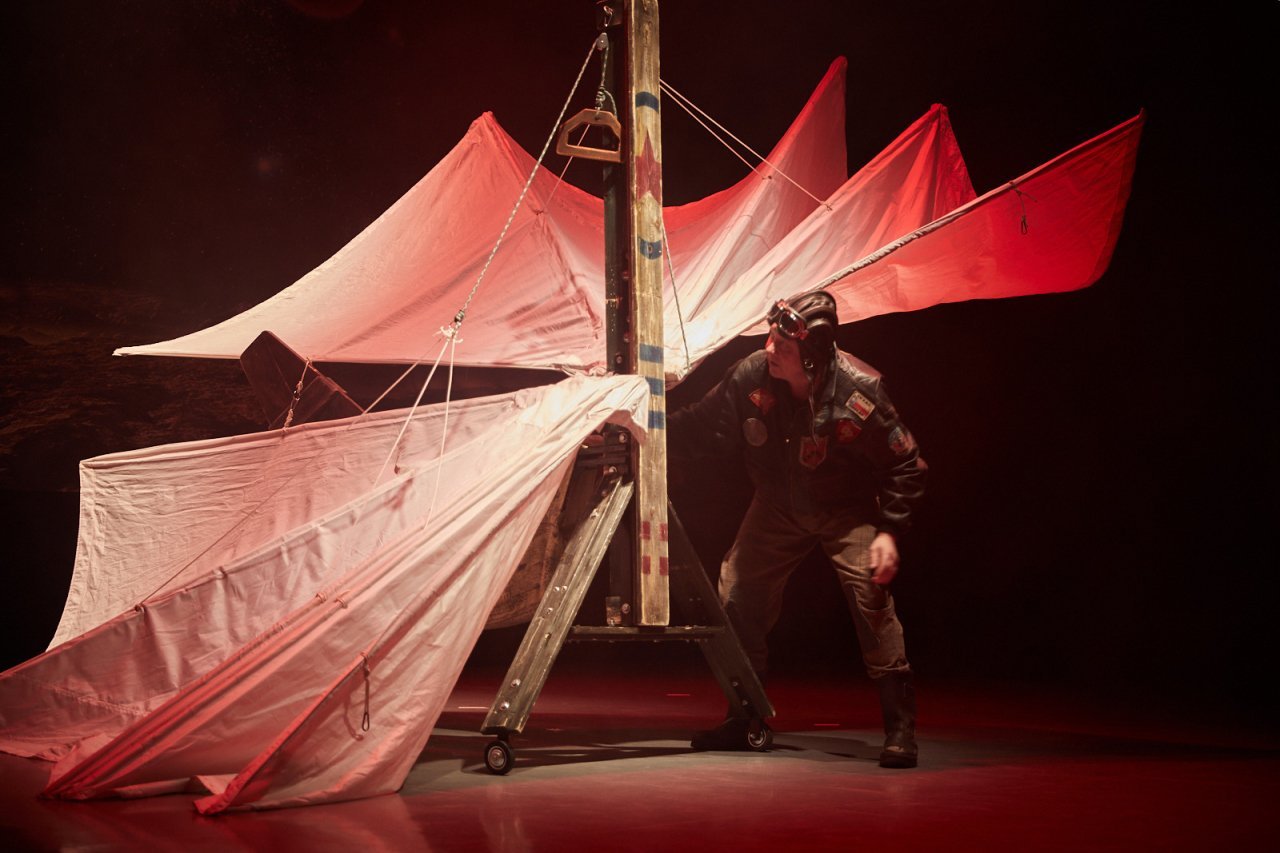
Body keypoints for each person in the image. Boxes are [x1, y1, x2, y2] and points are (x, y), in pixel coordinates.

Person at [668, 290, 927, 768]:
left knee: (870, 599)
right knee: (737, 591)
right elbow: (701, 425)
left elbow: (905, 462)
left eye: (782, 347)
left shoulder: (859, 392)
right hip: (778, 504)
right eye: (770, 338)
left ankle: (900, 727)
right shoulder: (751, 375)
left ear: (810, 358)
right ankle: (744, 717)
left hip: (845, 508)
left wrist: (889, 532)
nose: (768, 349)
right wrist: (642, 428)